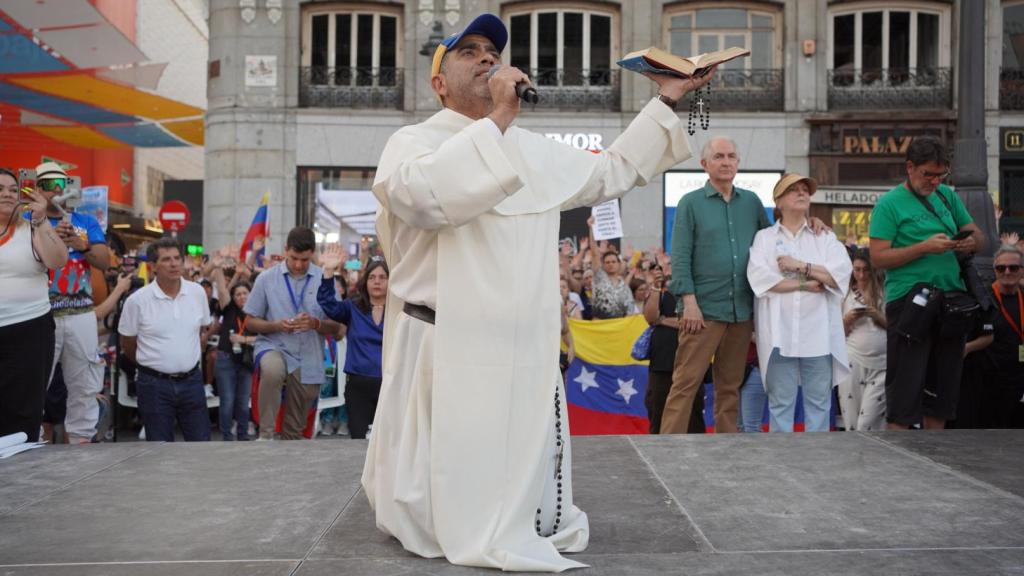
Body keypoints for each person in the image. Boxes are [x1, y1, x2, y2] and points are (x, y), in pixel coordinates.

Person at [364, 12, 712, 571]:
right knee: (436, 496)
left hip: (520, 346)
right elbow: (424, 199)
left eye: (492, 51)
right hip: (444, 344)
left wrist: (667, 98)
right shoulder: (411, 142)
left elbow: (613, 171)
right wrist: (499, 118)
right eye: (469, 51)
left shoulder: (533, 150)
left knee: (518, 487)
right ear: (438, 83)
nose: (486, 58)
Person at [868, 136, 984, 430]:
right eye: (928, 174)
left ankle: (937, 461)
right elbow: (879, 258)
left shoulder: (947, 195)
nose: (934, 181)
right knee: (904, 393)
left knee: (942, 393)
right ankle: (900, 464)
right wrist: (923, 247)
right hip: (911, 304)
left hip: (951, 302)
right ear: (910, 167)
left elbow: (979, 237)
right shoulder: (889, 205)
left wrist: (969, 242)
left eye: (940, 174)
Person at [663, 137, 776, 434]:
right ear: (704, 164)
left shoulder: (751, 202)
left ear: (738, 163)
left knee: (730, 387)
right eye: (718, 156)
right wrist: (689, 301)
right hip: (702, 311)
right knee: (686, 384)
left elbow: (771, 244)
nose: (726, 162)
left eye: (731, 156)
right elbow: (681, 255)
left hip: (740, 310)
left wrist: (807, 224)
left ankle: (726, 451)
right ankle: (665, 450)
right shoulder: (690, 203)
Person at [748, 174, 851, 432]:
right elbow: (761, 280)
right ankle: (782, 464)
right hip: (780, 335)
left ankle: (816, 464)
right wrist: (808, 282)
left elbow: (839, 275)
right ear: (779, 201)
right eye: (793, 190)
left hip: (818, 335)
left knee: (819, 404)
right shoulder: (765, 238)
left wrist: (801, 266)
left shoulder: (824, 237)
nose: (802, 193)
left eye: (805, 189)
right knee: (780, 404)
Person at [34, 162, 111, 444]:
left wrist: (82, 245)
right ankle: (29, 440)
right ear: (37, 188)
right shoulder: (28, 220)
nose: (56, 189)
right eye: (48, 184)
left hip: (81, 314)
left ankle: (81, 442)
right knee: (34, 381)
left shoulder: (86, 222)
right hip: (41, 313)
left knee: (85, 381)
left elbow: (104, 262)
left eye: (61, 183)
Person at [244, 226, 339, 440]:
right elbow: (250, 322)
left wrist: (315, 323)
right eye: (294, 258)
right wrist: (276, 325)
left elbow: (338, 327)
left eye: (304, 260)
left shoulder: (325, 280)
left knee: (294, 432)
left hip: (309, 356)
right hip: (273, 345)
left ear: (313, 253)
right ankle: (266, 434)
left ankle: (288, 463)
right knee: (272, 370)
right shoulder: (266, 279)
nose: (298, 265)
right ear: (286, 249)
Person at [118, 237, 213, 441]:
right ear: (152, 266)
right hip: (153, 385)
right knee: (159, 452)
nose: (174, 264)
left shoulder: (197, 293)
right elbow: (127, 344)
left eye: (177, 258)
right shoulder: (137, 301)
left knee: (202, 448)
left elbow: (201, 330)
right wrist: (155, 363)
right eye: (166, 259)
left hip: (192, 382)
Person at [0, 168, 67, 441]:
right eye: (0, 189)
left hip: (29, 329)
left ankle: (20, 475)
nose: (6, 194)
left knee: (23, 409)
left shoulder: (31, 227)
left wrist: (41, 221)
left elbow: (57, 261)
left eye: (12, 190)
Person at [317, 245, 387, 439]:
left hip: (390, 386)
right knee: (358, 440)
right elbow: (328, 305)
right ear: (365, 282)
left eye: (382, 277)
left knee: (388, 443)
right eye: (372, 277)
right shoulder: (353, 307)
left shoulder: (400, 311)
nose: (377, 282)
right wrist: (329, 271)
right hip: (358, 386)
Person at [837, 249, 888, 431]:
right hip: (852, 361)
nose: (861, 275)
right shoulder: (845, 294)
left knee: (867, 424)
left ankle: (873, 457)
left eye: (865, 270)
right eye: (856, 269)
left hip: (882, 363)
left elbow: (896, 328)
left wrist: (877, 316)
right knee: (851, 422)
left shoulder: (884, 291)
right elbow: (835, 334)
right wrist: (847, 320)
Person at [981, 245, 1024, 427]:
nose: (1007, 272)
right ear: (994, 271)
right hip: (989, 384)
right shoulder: (984, 299)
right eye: (1001, 268)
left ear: (1022, 271)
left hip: (1019, 381)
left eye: (1013, 268)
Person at [642, 266, 683, 434]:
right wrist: (656, 287)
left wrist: (663, 320)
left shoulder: (693, 290)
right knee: (656, 407)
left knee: (692, 409)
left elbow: (690, 321)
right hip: (661, 361)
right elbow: (650, 317)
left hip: (688, 359)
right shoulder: (659, 292)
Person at [586, 217, 633, 319]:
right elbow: (594, 253)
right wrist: (591, 228)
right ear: (603, 265)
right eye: (607, 262)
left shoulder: (624, 285)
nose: (610, 264)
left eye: (613, 262)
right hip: (599, 324)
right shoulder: (599, 276)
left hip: (618, 326)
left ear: (619, 264)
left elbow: (630, 310)